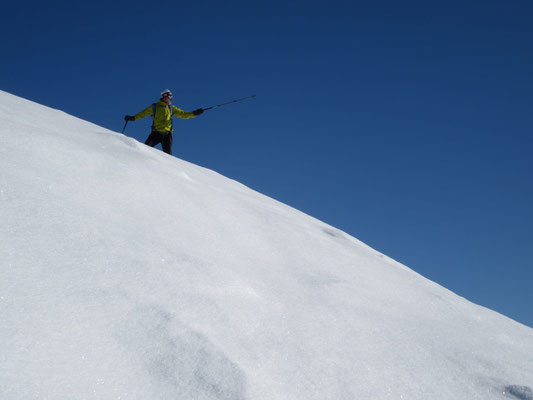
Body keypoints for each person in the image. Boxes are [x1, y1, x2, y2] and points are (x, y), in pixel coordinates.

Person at [124, 89, 204, 155]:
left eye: (170, 97)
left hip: (167, 135)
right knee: (143, 150)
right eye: (166, 96)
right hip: (155, 134)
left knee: (168, 156)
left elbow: (184, 114)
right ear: (163, 97)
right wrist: (133, 118)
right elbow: (142, 114)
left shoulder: (172, 108)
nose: (168, 98)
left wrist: (195, 113)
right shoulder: (155, 107)